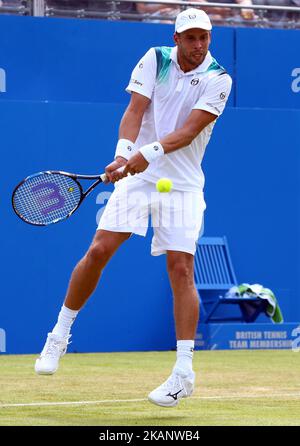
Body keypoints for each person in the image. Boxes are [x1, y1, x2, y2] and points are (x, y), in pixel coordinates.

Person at [35, 8, 232, 408]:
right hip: (138, 179)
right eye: (190, 37)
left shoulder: (219, 78)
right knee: (98, 250)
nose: (198, 45)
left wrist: (146, 152)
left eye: (204, 38)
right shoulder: (156, 58)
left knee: (181, 268)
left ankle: (183, 372)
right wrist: (123, 154)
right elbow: (135, 111)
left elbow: (189, 130)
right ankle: (59, 335)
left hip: (183, 187)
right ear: (176, 38)